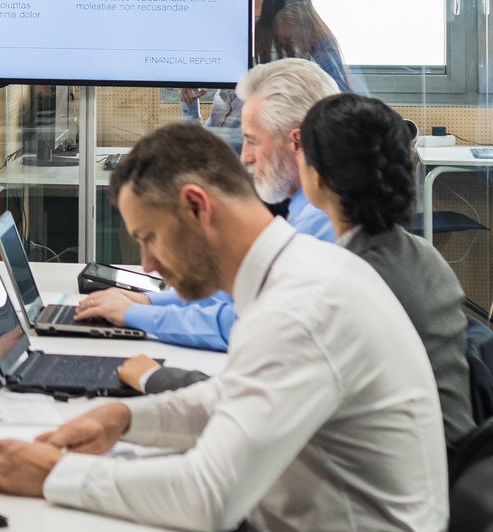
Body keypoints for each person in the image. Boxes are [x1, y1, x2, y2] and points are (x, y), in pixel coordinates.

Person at [0, 122, 456, 532]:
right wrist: (127, 420)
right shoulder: (302, 270)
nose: (147, 266)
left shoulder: (300, 308)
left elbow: (211, 498)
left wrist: (54, 475)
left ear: (197, 207)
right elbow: (234, 395)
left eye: (149, 237)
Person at [113, 95, 484, 444]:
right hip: (434, 451)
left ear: (317, 175)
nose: (246, 157)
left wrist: (152, 376)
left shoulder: (340, 277)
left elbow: (258, 402)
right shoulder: (415, 254)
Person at [73, 58, 340, 349]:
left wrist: (138, 314)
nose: (244, 158)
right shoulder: (307, 209)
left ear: (297, 142)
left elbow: (242, 322)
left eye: (252, 140)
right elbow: (237, 294)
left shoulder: (322, 219)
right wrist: (148, 301)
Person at [184, 0, 360, 135]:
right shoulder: (248, 49)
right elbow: (214, 136)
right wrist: (190, 104)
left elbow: (341, 107)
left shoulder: (301, 59)